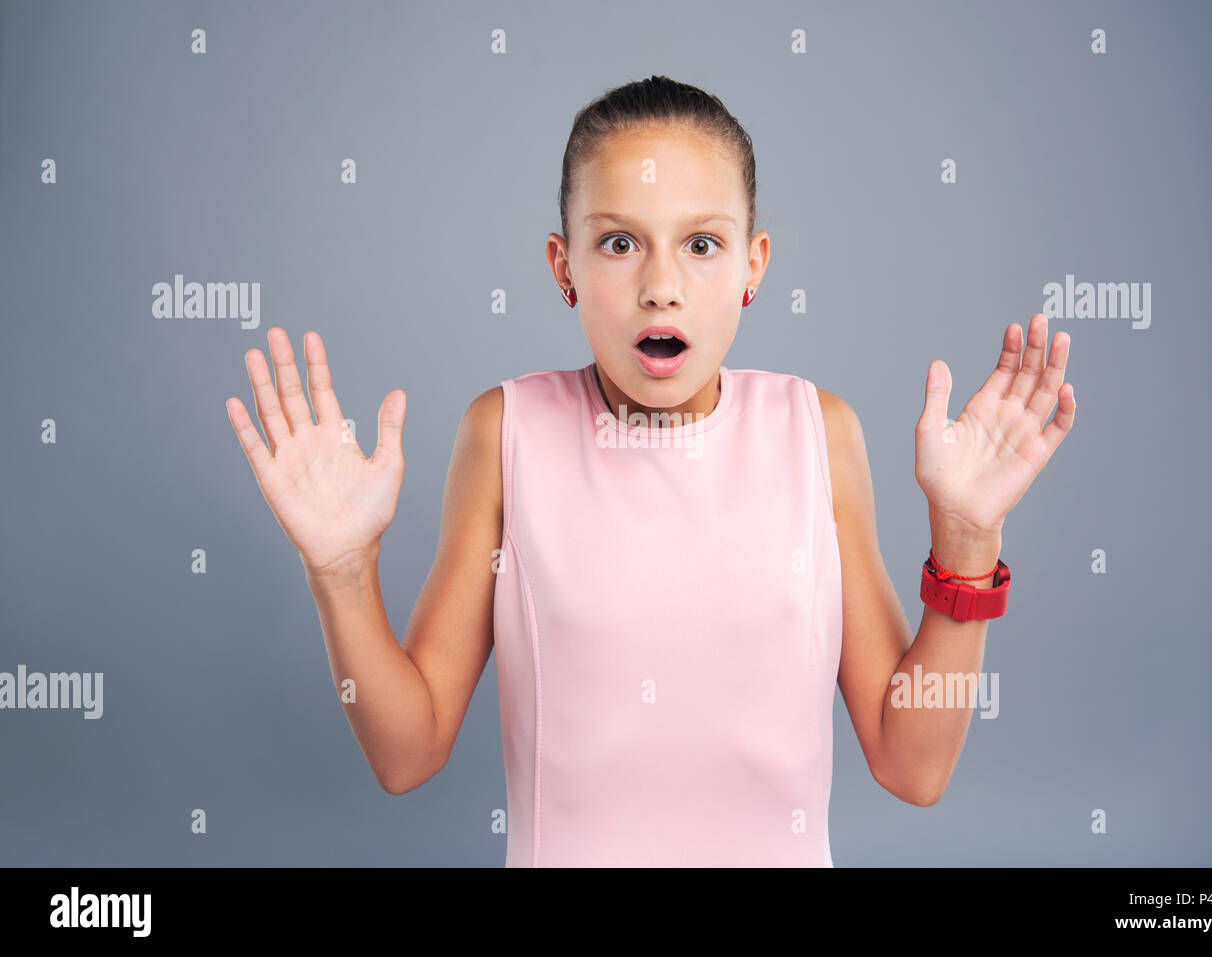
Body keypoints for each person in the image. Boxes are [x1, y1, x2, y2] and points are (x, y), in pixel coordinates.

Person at [225, 75, 1075, 867]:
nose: (661, 286)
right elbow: (407, 754)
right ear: (564, 267)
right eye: (620, 242)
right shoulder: (505, 432)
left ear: (754, 264)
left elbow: (911, 763)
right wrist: (341, 572)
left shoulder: (817, 433)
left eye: (702, 243)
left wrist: (967, 543)